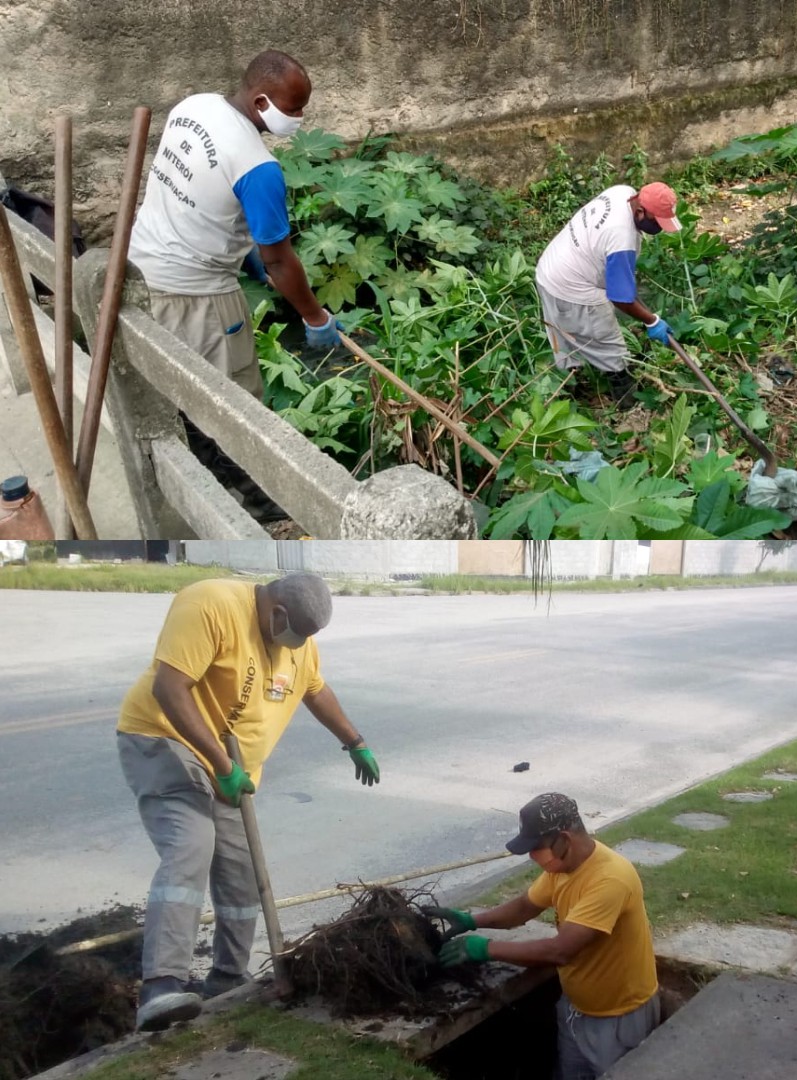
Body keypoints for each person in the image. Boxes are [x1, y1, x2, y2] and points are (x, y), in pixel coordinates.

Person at [116, 572, 380, 1033]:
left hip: (230, 768)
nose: (297, 646)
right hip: (165, 739)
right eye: (295, 633)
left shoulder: (297, 643)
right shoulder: (212, 604)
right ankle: (161, 985)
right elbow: (169, 688)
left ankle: (227, 979)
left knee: (241, 873)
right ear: (277, 611)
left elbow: (315, 690)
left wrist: (353, 741)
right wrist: (221, 763)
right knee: (191, 845)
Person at [128, 50, 346, 520]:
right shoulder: (258, 168)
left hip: (140, 266)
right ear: (261, 99)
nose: (299, 119)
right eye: (293, 109)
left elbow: (195, 194)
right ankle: (259, 501)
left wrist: (238, 251)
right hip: (196, 292)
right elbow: (280, 260)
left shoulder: (193, 107)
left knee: (174, 384)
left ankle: (206, 471)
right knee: (233, 402)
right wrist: (315, 316)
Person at [430, 792, 660, 1079]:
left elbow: (560, 951)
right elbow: (526, 906)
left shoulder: (609, 879)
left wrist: (485, 948)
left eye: (537, 847)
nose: (532, 856)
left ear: (564, 838)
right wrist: (472, 920)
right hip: (576, 1009)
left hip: (618, 1018)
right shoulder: (561, 867)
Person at [535, 182, 682, 407]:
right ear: (640, 211)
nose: (658, 228)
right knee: (608, 343)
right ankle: (625, 402)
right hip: (573, 287)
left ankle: (571, 387)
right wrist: (652, 322)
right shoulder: (621, 236)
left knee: (563, 335)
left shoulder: (622, 192)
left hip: (551, 269)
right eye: (655, 222)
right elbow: (621, 299)